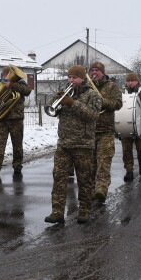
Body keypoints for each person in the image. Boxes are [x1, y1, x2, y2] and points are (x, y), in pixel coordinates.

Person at [45, 65, 102, 225]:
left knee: (84, 179)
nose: (71, 80)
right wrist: (55, 99)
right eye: (69, 77)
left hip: (83, 144)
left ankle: (84, 210)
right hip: (64, 143)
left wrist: (73, 103)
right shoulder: (66, 93)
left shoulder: (92, 95)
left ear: (82, 78)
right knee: (59, 177)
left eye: (74, 78)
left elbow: (93, 115)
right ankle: (57, 211)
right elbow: (52, 110)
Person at [0, 65, 33, 182]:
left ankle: (17, 165)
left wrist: (11, 85)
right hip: (2, 118)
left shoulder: (20, 83)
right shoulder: (0, 83)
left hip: (16, 118)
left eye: (7, 74)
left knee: (17, 143)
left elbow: (27, 91)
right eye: (5, 75)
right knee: (0, 143)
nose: (6, 76)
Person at [88, 61, 122, 201]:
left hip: (106, 131)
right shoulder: (87, 86)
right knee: (90, 164)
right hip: (89, 131)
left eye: (97, 70)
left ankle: (101, 189)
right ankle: (91, 191)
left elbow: (118, 104)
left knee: (104, 161)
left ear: (103, 72)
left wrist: (102, 102)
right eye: (92, 70)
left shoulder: (112, 86)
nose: (94, 73)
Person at [120, 72, 141, 182]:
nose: (130, 83)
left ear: (137, 82)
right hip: (125, 125)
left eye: (132, 81)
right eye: (128, 81)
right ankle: (129, 171)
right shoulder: (122, 94)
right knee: (126, 150)